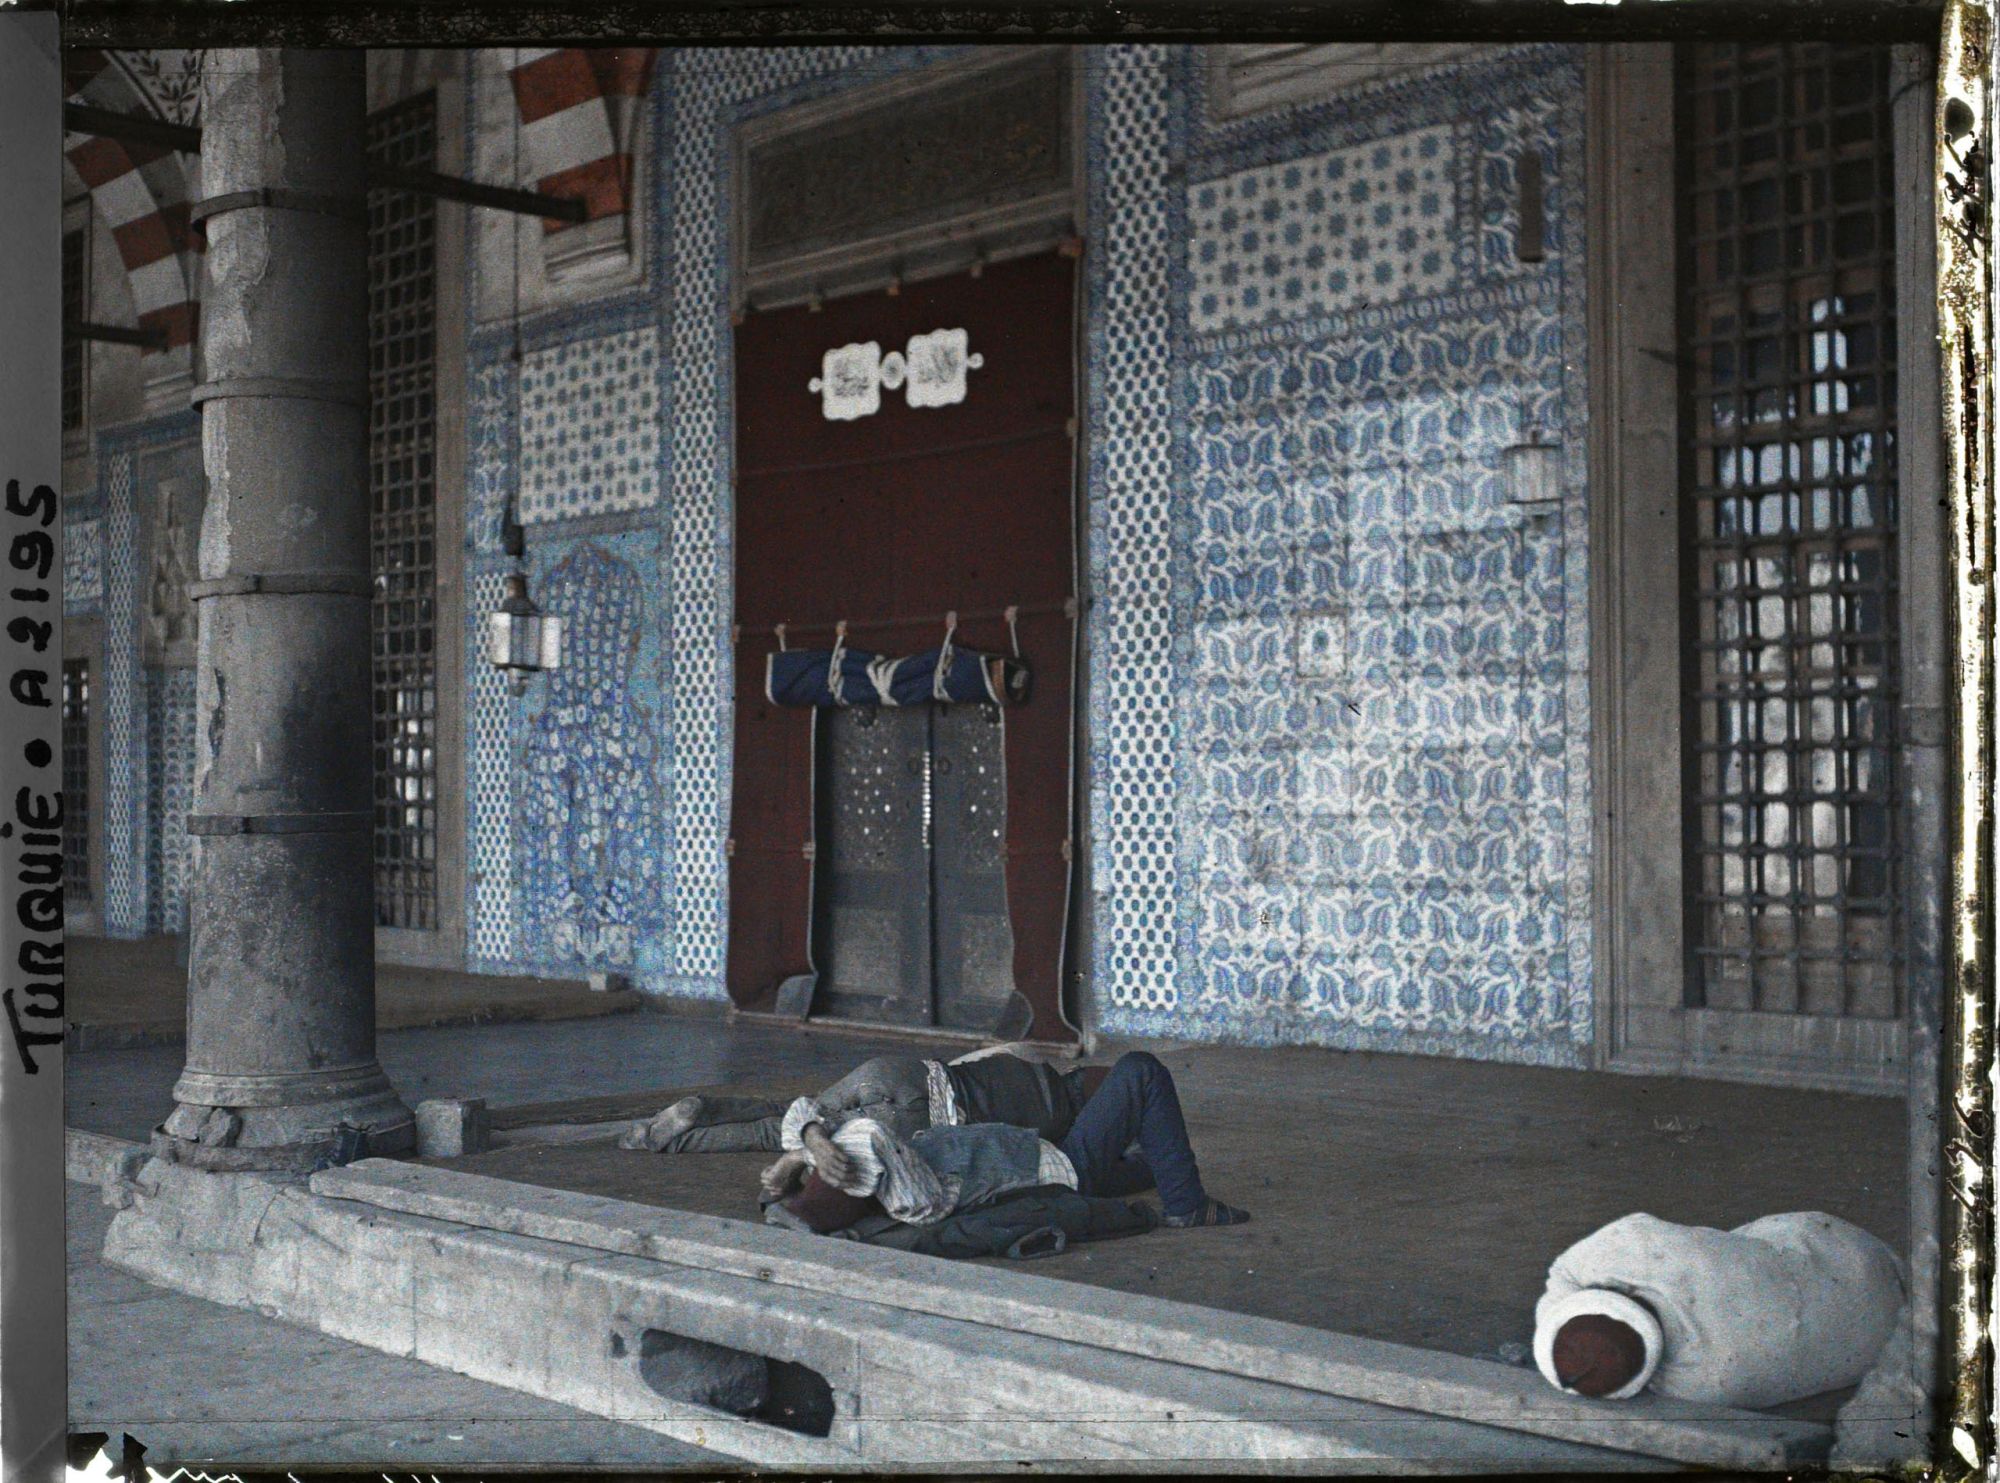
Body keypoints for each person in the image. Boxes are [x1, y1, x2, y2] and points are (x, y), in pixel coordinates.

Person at [767, 1050, 1250, 1231]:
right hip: (1065, 1168)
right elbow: (871, 1141)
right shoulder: (906, 1192)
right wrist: (822, 1147)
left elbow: (803, 1112)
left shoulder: (875, 1170)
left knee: (1147, 1160)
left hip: (1056, 1160)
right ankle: (1188, 1205)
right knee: (1141, 1071)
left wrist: (806, 1145)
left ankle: (1169, 1176)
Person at [619, 1042, 1103, 1161]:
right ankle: (666, 1144)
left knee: (794, 1106)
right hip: (916, 1120)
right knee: (777, 1138)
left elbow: (975, 1056)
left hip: (899, 1072)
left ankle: (698, 1107)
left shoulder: (1030, 1062)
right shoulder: (1056, 1123)